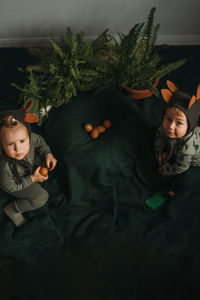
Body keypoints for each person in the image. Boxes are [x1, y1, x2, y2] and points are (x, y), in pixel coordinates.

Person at [145, 80, 200, 209]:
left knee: (187, 179)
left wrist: (164, 170)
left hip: (194, 163)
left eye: (179, 123)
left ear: (189, 126)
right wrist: (159, 153)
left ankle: (168, 193)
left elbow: (180, 168)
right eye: (168, 119)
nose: (170, 126)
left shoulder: (187, 149)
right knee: (156, 132)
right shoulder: (166, 129)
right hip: (181, 143)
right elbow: (159, 136)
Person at [0, 105, 57, 227]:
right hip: (17, 182)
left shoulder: (31, 140)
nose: (18, 148)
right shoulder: (5, 167)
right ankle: (12, 209)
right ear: (2, 146)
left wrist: (48, 154)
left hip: (29, 165)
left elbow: (40, 141)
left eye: (22, 141)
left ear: (28, 137)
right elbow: (11, 187)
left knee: (43, 159)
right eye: (10, 144)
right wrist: (32, 179)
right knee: (42, 197)